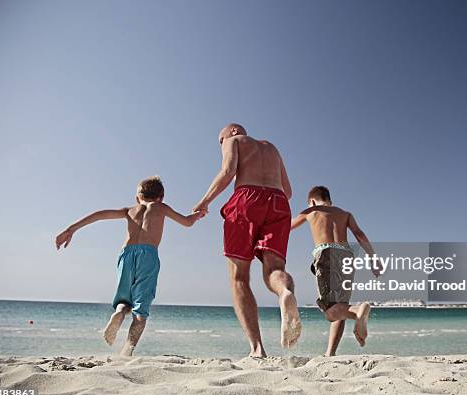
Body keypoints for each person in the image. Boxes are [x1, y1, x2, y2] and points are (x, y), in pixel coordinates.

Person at [55, 176, 203, 356]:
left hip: (126, 254)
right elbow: (187, 222)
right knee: (141, 310)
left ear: (137, 197)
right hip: (148, 255)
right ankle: (126, 351)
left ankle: (118, 312)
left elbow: (100, 215)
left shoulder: (130, 211)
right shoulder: (160, 208)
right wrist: (197, 215)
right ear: (161, 197)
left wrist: (71, 229)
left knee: (125, 299)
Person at [193, 123, 301, 357]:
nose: (221, 145)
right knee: (274, 269)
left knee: (239, 276)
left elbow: (228, 171)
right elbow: (289, 192)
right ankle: (284, 293)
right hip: (279, 202)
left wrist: (204, 202)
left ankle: (257, 348)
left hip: (246, 200)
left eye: (220, 140)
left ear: (232, 131)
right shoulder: (272, 148)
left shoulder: (234, 141)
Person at [291, 185, 380, 356]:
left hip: (326, 254)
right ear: (330, 201)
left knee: (330, 312)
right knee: (340, 306)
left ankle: (359, 310)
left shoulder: (311, 210)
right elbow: (359, 234)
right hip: (347, 256)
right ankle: (330, 353)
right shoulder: (345, 214)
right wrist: (373, 258)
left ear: (312, 201)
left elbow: (288, 226)